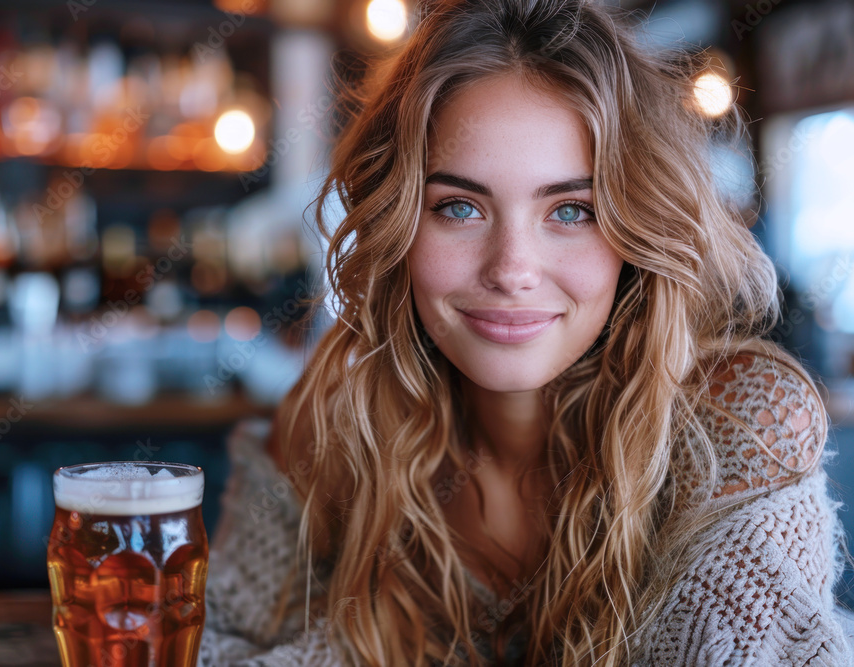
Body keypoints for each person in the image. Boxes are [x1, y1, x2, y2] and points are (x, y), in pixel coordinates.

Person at [196, 0, 854, 664]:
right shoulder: (330, 428)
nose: (511, 270)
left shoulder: (738, 427)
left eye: (570, 209)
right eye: (459, 206)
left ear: (638, 229)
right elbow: (213, 647)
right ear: (395, 223)